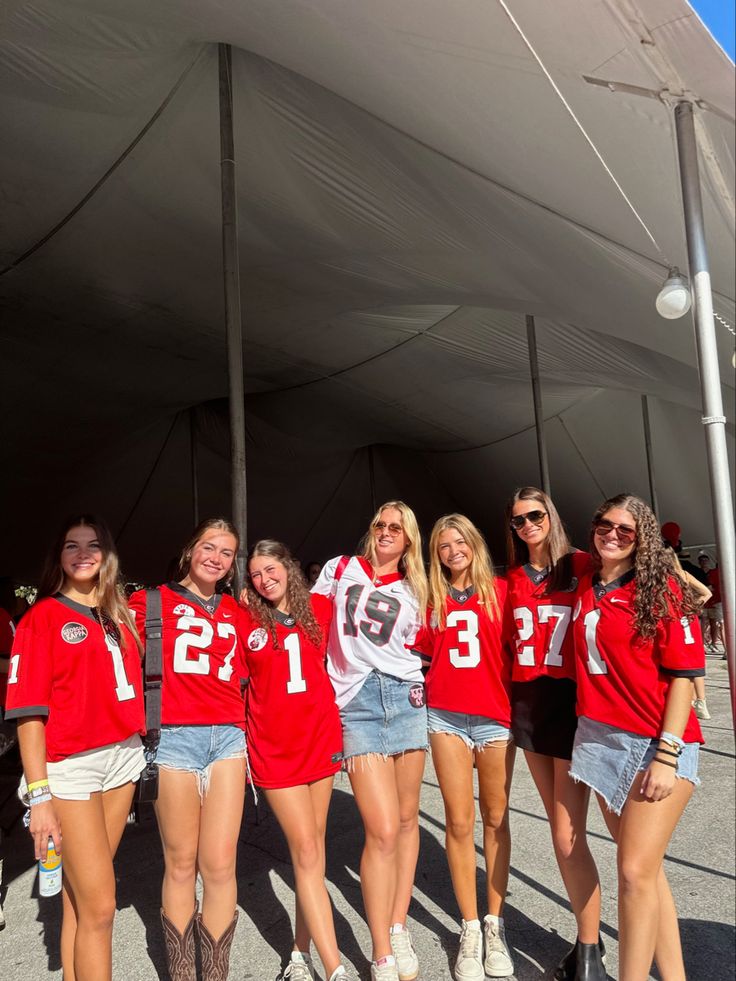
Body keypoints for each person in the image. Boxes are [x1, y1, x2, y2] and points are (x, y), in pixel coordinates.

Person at [5, 514, 146, 980]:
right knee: (103, 907)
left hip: (122, 758)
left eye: (93, 544)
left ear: (107, 555)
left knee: (80, 899)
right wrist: (39, 795)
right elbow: (28, 713)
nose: (83, 553)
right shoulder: (41, 617)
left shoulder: (119, 613)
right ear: (59, 556)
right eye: (72, 545)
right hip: (71, 768)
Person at [570, 494, 704, 979]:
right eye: (605, 524)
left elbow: (685, 679)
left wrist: (667, 755)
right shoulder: (588, 576)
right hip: (600, 738)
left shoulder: (661, 587)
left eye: (626, 530)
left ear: (642, 537)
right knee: (646, 874)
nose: (613, 535)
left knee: (633, 874)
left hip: (654, 744)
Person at [312, 501, 428, 981]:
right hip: (355, 701)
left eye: (396, 528)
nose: (385, 532)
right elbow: (314, 629)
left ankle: (398, 925)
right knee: (379, 830)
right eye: (379, 523)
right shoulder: (340, 569)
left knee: (405, 820)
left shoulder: (419, 586)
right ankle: (381, 949)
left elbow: (427, 645)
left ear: (409, 539)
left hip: (407, 698)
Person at [129, 518, 247, 981]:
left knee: (220, 864)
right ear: (189, 549)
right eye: (208, 547)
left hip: (229, 740)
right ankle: (181, 975)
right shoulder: (148, 601)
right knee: (180, 864)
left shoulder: (236, 610)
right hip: (173, 738)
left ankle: (215, 974)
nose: (216, 558)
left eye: (227, 553)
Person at [504, 487, 604, 980]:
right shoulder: (512, 580)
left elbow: (678, 587)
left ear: (551, 516)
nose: (527, 526)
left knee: (568, 837)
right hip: (528, 710)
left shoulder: (583, 564)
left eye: (534, 516)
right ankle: (589, 942)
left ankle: (589, 951)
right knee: (557, 830)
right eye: (518, 521)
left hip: (572, 709)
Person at [241, 540, 352, 981]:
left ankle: (298, 955)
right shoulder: (244, 617)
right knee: (306, 850)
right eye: (255, 575)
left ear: (288, 568)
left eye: (270, 570)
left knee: (314, 856)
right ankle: (337, 969)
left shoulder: (319, 609)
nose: (264, 580)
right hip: (274, 750)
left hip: (320, 741)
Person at [415, 514, 515, 980]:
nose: (453, 550)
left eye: (460, 541)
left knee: (495, 817)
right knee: (459, 820)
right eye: (442, 545)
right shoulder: (430, 598)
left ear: (474, 543)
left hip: (495, 716)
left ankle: (495, 923)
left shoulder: (502, 589)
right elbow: (419, 657)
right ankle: (470, 927)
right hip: (446, 716)